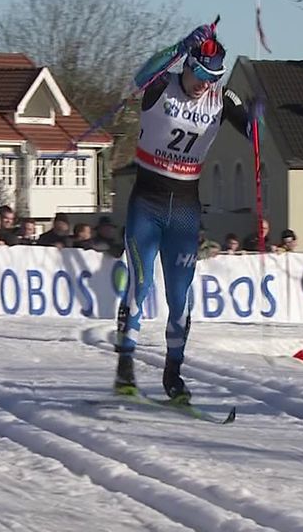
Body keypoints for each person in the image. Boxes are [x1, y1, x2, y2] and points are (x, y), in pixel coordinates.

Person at [113, 22, 259, 402]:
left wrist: (257, 118)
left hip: (185, 209)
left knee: (180, 296)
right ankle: (125, 366)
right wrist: (178, 47)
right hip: (147, 201)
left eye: (214, 77)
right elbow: (142, 74)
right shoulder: (162, 86)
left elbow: (251, 130)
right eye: (200, 74)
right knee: (140, 285)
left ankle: (173, 374)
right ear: (188, 64)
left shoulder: (221, 98)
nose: (204, 84)